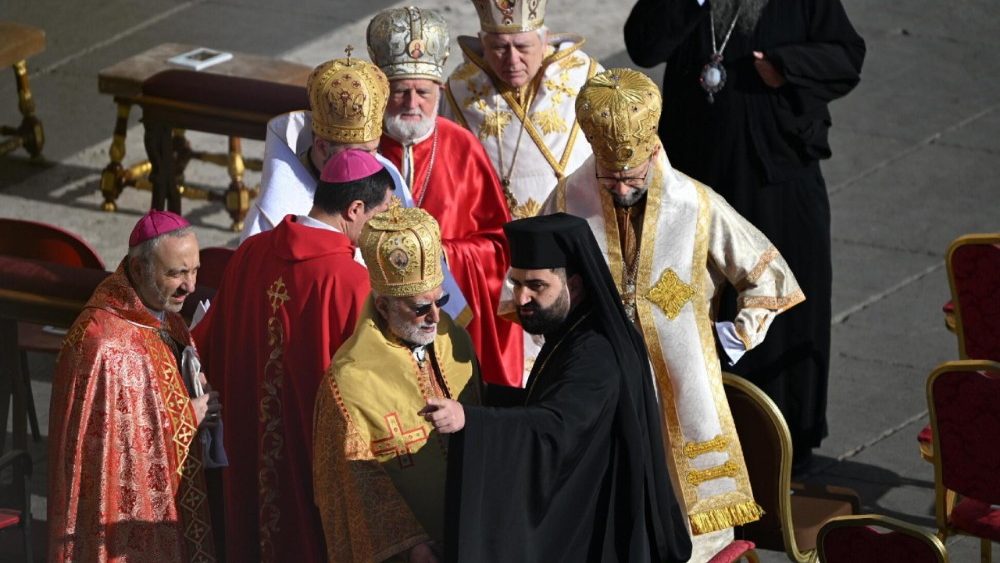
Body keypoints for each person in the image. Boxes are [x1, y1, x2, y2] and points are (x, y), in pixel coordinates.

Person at [542, 68, 805, 561]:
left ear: (653, 152)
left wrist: (734, 337)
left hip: (677, 387)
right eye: (610, 176)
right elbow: (531, 283)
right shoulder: (565, 200)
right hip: (598, 385)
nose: (620, 188)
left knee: (685, 523)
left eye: (632, 176)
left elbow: (770, 277)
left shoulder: (697, 205)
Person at [624, 0, 866, 469]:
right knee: (693, 308)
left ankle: (786, 448)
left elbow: (846, 56)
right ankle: (700, 441)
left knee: (779, 309)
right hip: (698, 176)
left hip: (776, 177)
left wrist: (786, 67)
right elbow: (643, 45)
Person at [425, 213, 691, 562]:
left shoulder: (595, 349)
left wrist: (471, 420)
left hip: (599, 532)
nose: (520, 299)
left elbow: (556, 426)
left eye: (536, 286)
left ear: (575, 286)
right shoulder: (573, 327)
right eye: (516, 284)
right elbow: (548, 401)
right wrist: (482, 394)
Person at [192, 150, 394, 562]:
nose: (384, 226)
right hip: (312, 466)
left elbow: (205, 347)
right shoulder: (353, 283)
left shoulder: (249, 253)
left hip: (245, 448)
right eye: (382, 213)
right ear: (355, 209)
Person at [49, 210, 220, 562]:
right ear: (140, 269)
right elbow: (118, 451)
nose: (190, 285)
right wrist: (189, 414)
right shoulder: (104, 344)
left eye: (195, 270)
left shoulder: (162, 312)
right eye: (176, 273)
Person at [313, 206, 481, 563]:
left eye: (441, 301)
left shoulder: (455, 340)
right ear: (383, 306)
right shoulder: (348, 380)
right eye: (421, 308)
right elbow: (354, 485)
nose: (436, 317)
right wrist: (412, 545)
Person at [367, 7, 522, 387]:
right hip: (375, 310)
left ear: (439, 91)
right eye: (400, 91)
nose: (411, 104)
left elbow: (500, 246)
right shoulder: (363, 151)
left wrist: (443, 257)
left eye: (423, 92)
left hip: (450, 314)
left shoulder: (462, 148)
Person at [442, 0, 601, 220]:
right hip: (497, 233)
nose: (512, 60)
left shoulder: (586, 78)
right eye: (499, 47)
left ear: (544, 40)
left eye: (522, 46)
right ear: (482, 43)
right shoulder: (459, 90)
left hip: (576, 225)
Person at [241, 52, 398, 240]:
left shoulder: (384, 172)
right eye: (360, 153)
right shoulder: (272, 214)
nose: (371, 164)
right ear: (322, 147)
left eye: (374, 150)